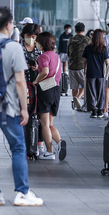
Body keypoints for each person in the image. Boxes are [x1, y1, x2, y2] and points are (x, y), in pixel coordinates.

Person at [0, 7, 44, 206]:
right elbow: (21, 82)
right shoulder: (13, 47)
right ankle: (22, 192)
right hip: (8, 107)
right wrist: (24, 108)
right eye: (13, 23)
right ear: (7, 25)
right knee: (18, 149)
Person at [33, 32, 66, 161]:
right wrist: (38, 69)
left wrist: (36, 80)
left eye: (38, 42)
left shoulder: (43, 57)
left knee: (44, 124)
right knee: (50, 123)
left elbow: (46, 71)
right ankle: (59, 141)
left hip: (45, 90)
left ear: (42, 44)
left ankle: (49, 152)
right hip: (56, 90)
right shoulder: (56, 56)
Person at [83, 29, 109, 118]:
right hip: (101, 74)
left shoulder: (88, 48)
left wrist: (84, 70)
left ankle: (93, 110)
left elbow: (84, 61)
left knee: (91, 92)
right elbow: (107, 62)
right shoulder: (104, 48)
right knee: (101, 92)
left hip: (91, 72)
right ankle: (100, 111)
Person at [67, 22, 90, 110]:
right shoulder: (87, 40)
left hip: (71, 65)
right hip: (82, 66)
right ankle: (78, 98)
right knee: (85, 85)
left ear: (75, 30)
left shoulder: (71, 39)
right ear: (84, 30)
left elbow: (68, 53)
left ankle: (74, 101)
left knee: (74, 86)